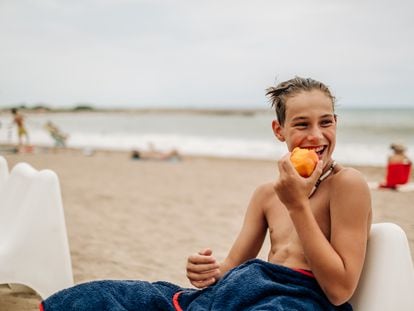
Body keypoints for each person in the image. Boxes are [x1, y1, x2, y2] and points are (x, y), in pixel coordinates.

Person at [40, 77, 372, 311]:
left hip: (295, 301)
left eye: (326, 122)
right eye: (302, 124)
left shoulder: (346, 185)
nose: (317, 136)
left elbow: (339, 291)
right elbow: (229, 268)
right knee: (106, 296)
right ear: (279, 130)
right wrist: (208, 272)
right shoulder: (266, 195)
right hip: (241, 293)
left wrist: (297, 205)